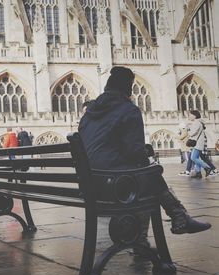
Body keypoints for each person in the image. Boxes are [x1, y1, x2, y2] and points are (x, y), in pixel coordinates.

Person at [79, 66, 210, 241]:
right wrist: (146, 161)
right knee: (149, 175)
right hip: (113, 185)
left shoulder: (88, 115)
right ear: (128, 88)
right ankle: (168, 223)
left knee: (145, 176)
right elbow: (135, 152)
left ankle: (171, 221)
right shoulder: (128, 110)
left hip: (90, 186)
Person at [188, 110, 212, 179]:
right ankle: (198, 173)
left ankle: (207, 167)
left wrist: (188, 129)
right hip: (198, 142)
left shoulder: (197, 122)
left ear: (194, 115)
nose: (189, 116)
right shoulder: (198, 122)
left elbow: (193, 132)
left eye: (190, 115)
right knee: (196, 158)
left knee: (193, 157)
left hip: (197, 143)